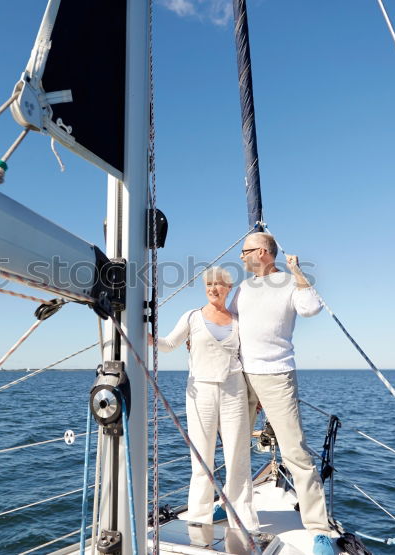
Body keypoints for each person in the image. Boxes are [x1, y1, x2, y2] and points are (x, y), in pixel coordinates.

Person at [230, 231, 335, 553]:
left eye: (245, 251)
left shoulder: (290, 283)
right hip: (239, 374)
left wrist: (299, 273)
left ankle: (319, 530)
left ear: (262, 252)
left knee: (296, 454)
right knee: (235, 448)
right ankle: (235, 507)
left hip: (276, 375)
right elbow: (227, 318)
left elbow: (311, 308)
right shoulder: (243, 288)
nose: (241, 257)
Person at [151, 266, 259, 531]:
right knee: (201, 459)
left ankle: (242, 518)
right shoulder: (191, 318)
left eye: (219, 284)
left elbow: (249, 358)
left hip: (235, 392)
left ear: (228, 289)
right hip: (201, 394)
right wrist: (143, 334)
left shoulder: (238, 320)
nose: (213, 289)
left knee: (238, 458)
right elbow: (167, 345)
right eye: (209, 284)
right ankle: (199, 519)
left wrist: (257, 395)